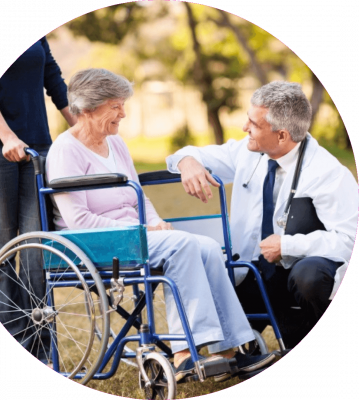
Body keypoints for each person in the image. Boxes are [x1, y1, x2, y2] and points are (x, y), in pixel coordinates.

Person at [45, 68, 276, 382]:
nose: (123, 113)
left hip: (133, 235)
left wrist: (153, 221)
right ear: (87, 108)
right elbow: (79, 220)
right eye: (115, 106)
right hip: (95, 241)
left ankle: (229, 349)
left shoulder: (116, 143)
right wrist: (141, 231)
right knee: (181, 246)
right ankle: (183, 353)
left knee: (207, 247)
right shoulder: (64, 151)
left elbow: (138, 196)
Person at [166, 81, 358, 348]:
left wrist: (289, 245)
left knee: (310, 275)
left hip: (297, 276)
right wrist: (187, 163)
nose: (245, 128)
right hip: (253, 272)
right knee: (211, 284)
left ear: (281, 135)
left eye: (253, 124)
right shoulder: (247, 152)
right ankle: (248, 343)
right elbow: (190, 153)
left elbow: (349, 240)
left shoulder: (328, 173)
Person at [0, 36, 77, 365]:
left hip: (38, 150)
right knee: (4, 248)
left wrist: (84, 128)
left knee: (37, 254)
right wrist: (7, 136)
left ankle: (44, 353)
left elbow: (53, 79)